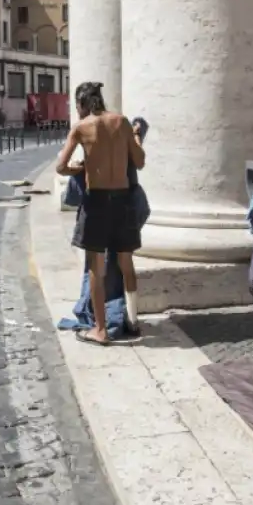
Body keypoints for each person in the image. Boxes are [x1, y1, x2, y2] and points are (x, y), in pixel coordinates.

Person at [55, 82, 146, 346]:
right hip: (123, 200)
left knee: (97, 267)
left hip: (97, 203)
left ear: (82, 104)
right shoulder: (123, 122)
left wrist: (80, 169)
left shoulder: (82, 128)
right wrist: (137, 137)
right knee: (126, 262)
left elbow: (61, 166)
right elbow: (139, 161)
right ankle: (133, 320)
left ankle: (101, 329)